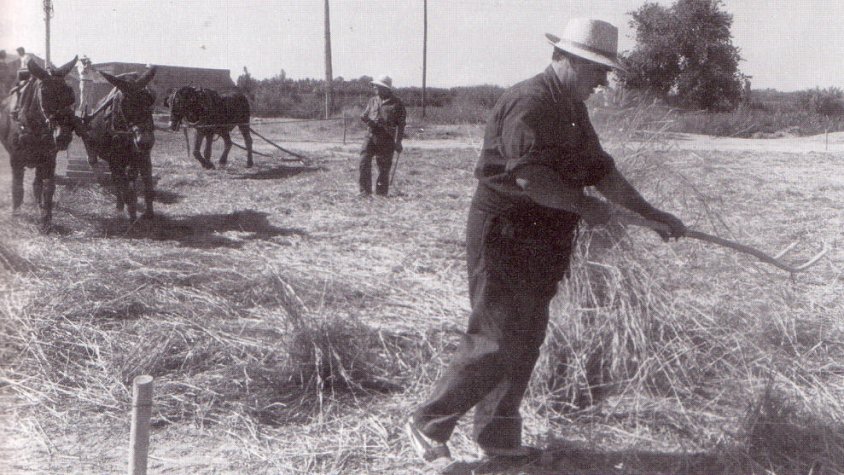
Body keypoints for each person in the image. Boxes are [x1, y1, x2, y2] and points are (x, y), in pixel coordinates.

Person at [405, 18, 686, 463]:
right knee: (496, 336)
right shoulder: (529, 102)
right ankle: (427, 423)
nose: (603, 81)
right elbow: (532, 179)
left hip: (543, 239)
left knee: (526, 336)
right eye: (599, 70)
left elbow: (602, 172)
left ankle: (497, 440)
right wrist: (584, 207)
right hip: (505, 233)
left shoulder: (573, 108)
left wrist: (651, 215)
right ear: (570, 60)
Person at [359, 75, 405, 196]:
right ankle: (365, 191)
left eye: (378, 86)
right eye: (375, 86)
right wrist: (367, 120)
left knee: (383, 167)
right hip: (370, 135)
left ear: (386, 89)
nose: (375, 88)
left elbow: (401, 125)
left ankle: (381, 193)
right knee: (363, 161)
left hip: (386, 138)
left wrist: (398, 142)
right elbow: (365, 115)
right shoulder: (372, 100)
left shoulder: (397, 103)